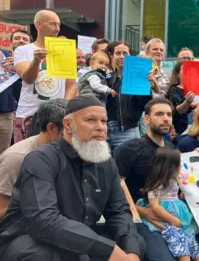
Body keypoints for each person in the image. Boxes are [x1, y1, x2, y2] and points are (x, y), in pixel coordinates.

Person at [0, 95, 145, 261]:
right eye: (90, 120)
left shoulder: (106, 162)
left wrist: (131, 252)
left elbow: (119, 211)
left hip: (81, 236)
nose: (100, 128)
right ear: (68, 125)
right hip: (31, 238)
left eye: (104, 121)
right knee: (41, 256)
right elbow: (44, 221)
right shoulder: (40, 159)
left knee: (136, 243)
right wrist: (106, 249)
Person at [114, 98, 177, 261]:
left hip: (170, 213)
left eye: (169, 114)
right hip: (138, 215)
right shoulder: (128, 149)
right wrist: (142, 212)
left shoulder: (172, 149)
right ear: (146, 119)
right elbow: (114, 190)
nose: (166, 118)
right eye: (159, 114)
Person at [13, 9, 77, 143]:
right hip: (29, 116)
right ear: (38, 24)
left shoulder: (65, 51)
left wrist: (63, 108)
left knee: (54, 159)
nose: (57, 28)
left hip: (56, 118)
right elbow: (28, 79)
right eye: (53, 24)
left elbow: (71, 86)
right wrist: (36, 61)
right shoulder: (23, 50)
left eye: (59, 25)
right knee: (26, 157)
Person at [0, 99, 66, 218]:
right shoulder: (17, 158)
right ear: (51, 128)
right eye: (70, 130)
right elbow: (2, 209)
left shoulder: (68, 151)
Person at [137, 147, 199, 261]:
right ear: (170, 166)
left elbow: (174, 194)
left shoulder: (174, 179)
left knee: (198, 253)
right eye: (179, 163)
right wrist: (171, 219)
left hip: (180, 219)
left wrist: (182, 196)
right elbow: (155, 205)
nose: (181, 166)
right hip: (168, 220)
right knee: (183, 252)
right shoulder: (157, 183)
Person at [105, 41, 160, 152]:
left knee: (124, 165)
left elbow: (143, 106)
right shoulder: (106, 78)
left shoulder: (138, 78)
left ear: (130, 56)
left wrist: (147, 86)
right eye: (118, 53)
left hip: (127, 130)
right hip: (105, 131)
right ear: (112, 56)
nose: (121, 56)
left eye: (125, 53)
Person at [0, 28, 32, 154]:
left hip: (10, 115)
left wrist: (19, 67)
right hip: (10, 114)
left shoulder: (35, 62)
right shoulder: (3, 57)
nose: (21, 41)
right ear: (10, 42)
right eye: (17, 38)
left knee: (4, 154)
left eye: (25, 39)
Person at [167, 60, 195, 136]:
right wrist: (188, 102)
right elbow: (179, 110)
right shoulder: (175, 90)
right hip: (181, 130)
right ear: (178, 74)